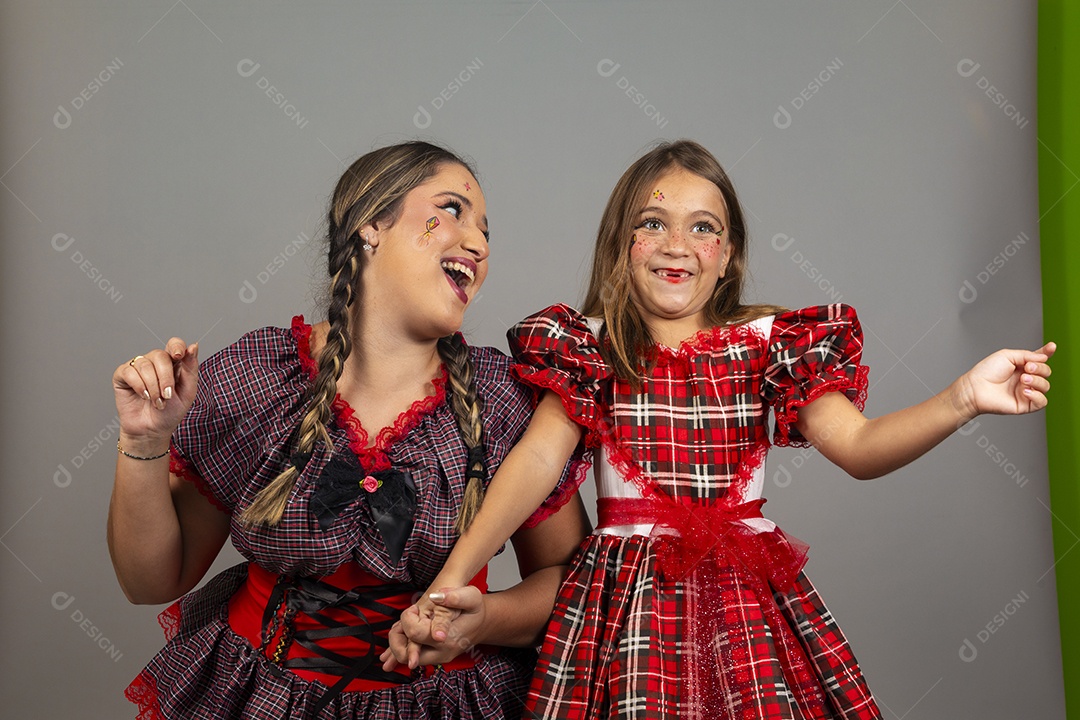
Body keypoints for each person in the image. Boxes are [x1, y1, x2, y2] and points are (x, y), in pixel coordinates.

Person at [387, 140, 1055, 718]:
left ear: (730, 254)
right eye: (653, 223)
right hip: (624, 610)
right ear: (621, 244)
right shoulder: (588, 347)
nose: (678, 245)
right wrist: (452, 580)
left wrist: (963, 397)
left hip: (746, 607)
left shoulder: (769, 343)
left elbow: (858, 447)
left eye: (703, 227)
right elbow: (534, 466)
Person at [107, 141, 591, 719]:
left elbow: (571, 585)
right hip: (258, 700)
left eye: (487, 231)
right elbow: (151, 581)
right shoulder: (261, 378)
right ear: (371, 225)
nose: (480, 244)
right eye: (454, 210)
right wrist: (144, 441)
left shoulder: (502, 401)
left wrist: (482, 620)